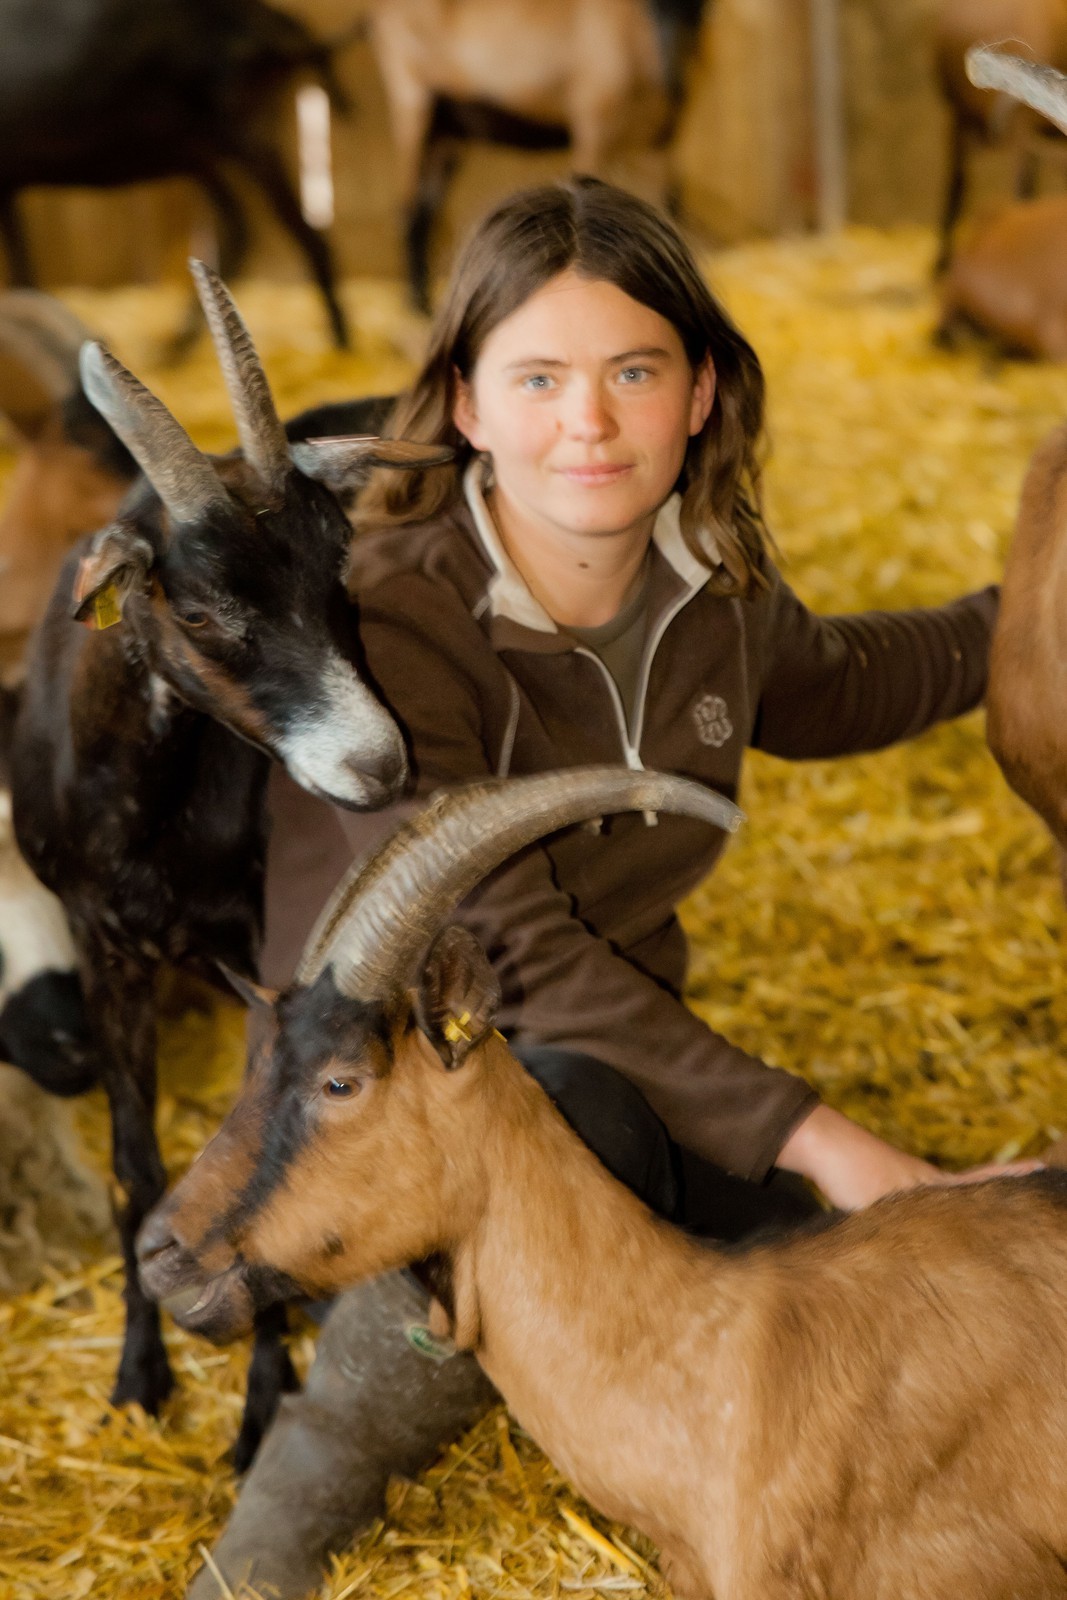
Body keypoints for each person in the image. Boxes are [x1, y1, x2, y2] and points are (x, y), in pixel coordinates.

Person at [186, 177, 1036, 1600]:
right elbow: (514, 950)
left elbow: (844, 683)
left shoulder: (709, 589)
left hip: (627, 1056)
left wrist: (1028, 615)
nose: (590, 420)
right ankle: (284, 1520)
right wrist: (824, 1136)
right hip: (392, 1091)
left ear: (700, 394)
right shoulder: (399, 618)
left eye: (635, 372)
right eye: (539, 378)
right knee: (587, 1132)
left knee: (823, 1273)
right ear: (467, 404)